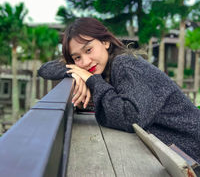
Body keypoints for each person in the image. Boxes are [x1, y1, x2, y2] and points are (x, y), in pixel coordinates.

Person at [38, 17, 200, 164]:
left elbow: (130, 117)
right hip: (182, 155)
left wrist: (90, 79)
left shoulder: (125, 64)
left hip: (193, 152)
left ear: (105, 42)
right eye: (77, 57)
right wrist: (76, 72)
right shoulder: (107, 69)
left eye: (89, 50)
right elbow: (45, 69)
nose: (85, 62)